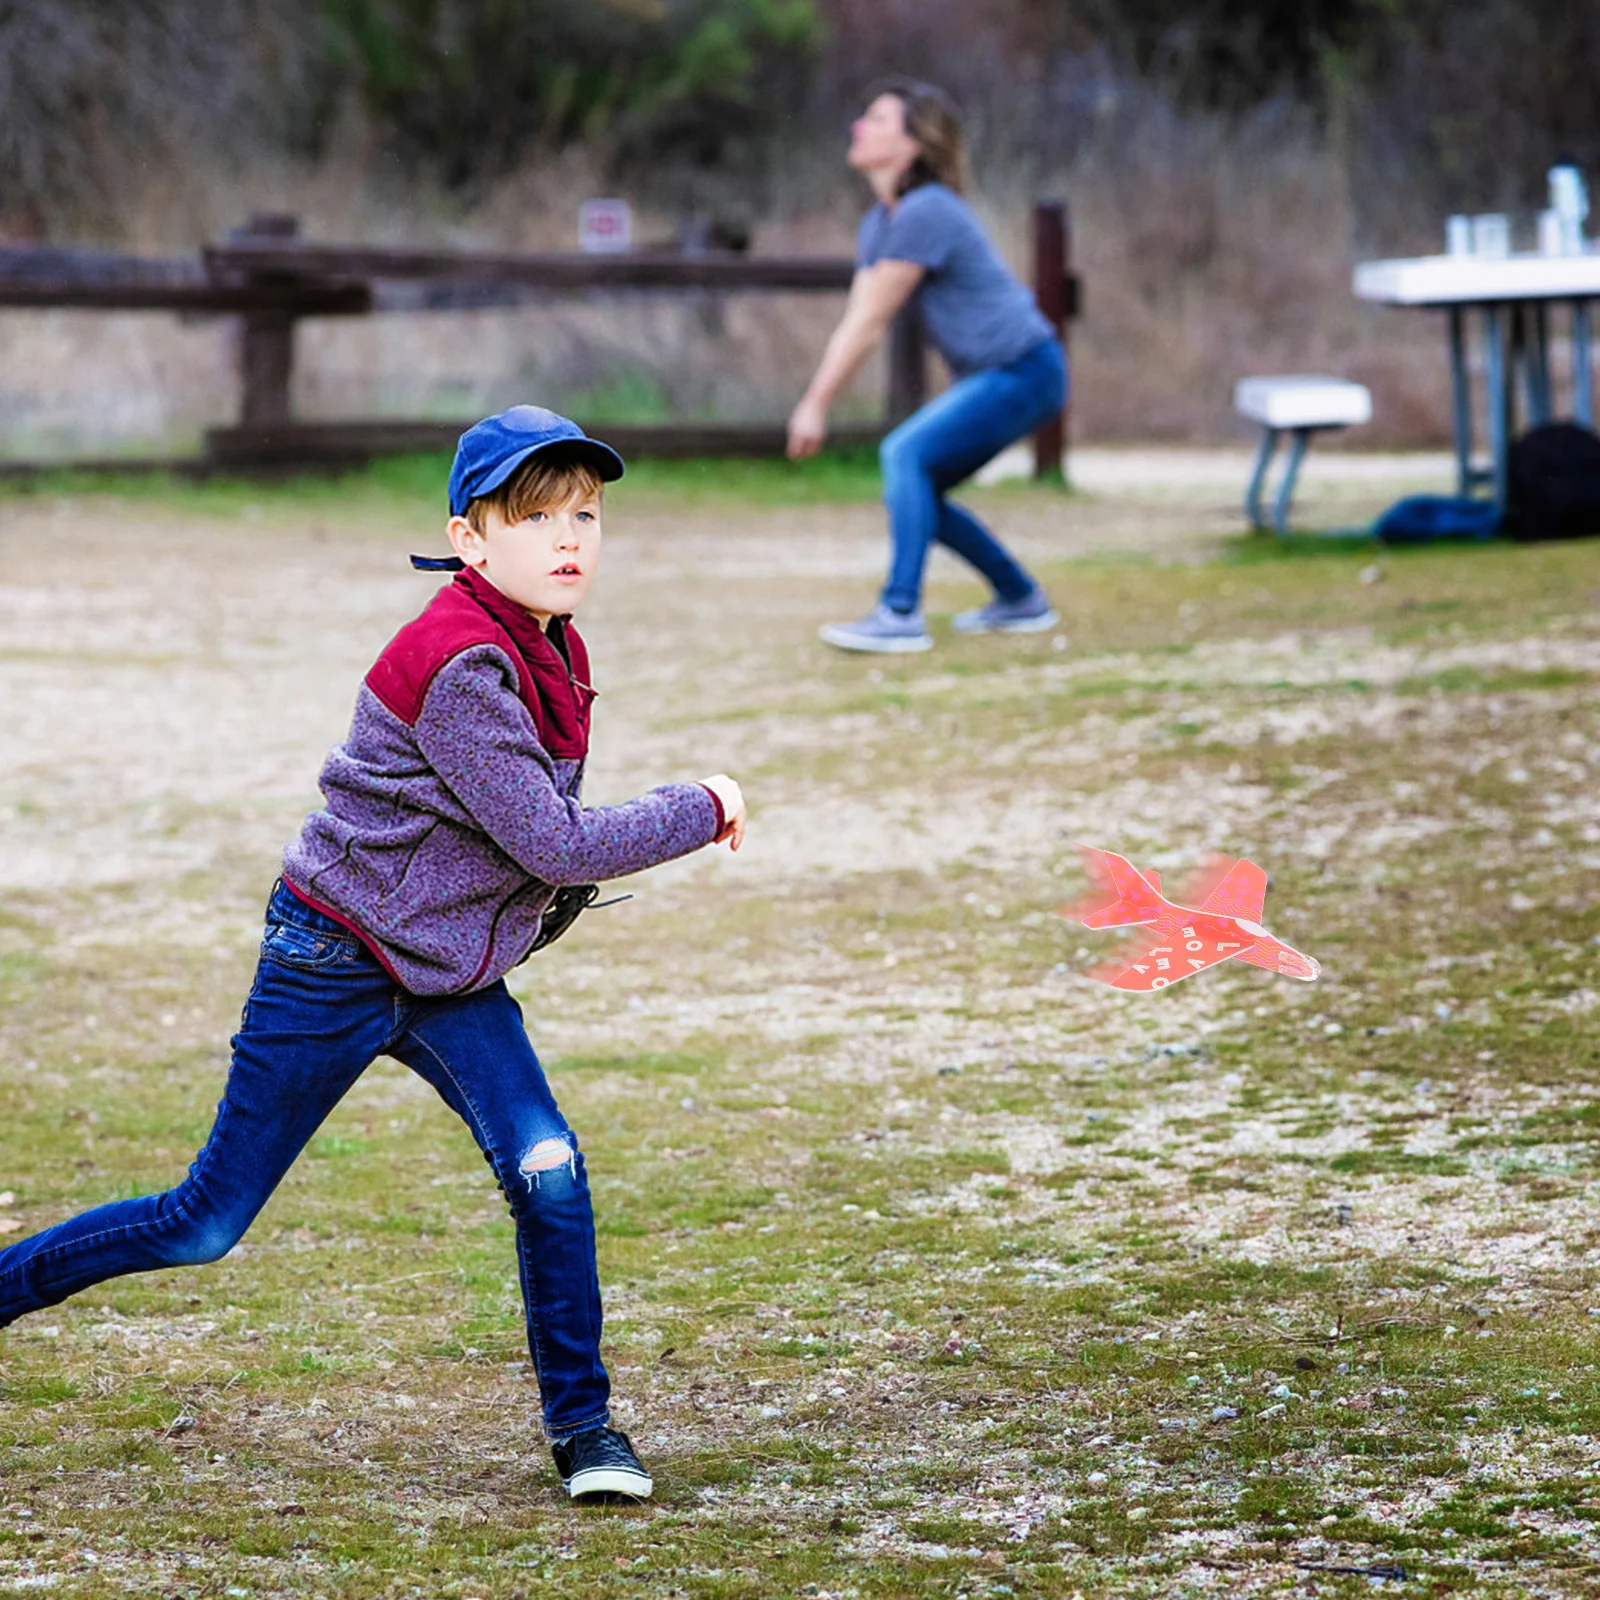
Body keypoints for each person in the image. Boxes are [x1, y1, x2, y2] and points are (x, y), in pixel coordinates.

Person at [0, 406, 747, 1503]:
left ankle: (585, 1434)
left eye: (585, 512)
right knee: (203, 1222)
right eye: (535, 515)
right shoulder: (457, 663)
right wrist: (703, 803)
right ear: (468, 538)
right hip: (334, 956)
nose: (569, 536)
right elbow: (552, 838)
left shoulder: (547, 639)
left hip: (448, 974)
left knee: (549, 1171)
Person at [787, 79, 1067, 653]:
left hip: (1025, 369)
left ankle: (899, 612)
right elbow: (859, 316)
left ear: (913, 144)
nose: (859, 127)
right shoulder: (882, 223)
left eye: (878, 119)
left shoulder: (926, 211)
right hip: (1006, 374)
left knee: (904, 454)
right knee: (918, 486)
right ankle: (1020, 598)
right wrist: (815, 401)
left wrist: (815, 406)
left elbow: (869, 324)